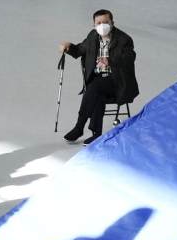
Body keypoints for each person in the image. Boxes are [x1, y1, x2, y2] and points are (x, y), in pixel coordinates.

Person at [59, 8, 138, 144]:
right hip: (99, 83)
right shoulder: (93, 36)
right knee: (97, 91)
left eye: (105, 22)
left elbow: (129, 58)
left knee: (94, 87)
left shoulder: (124, 39)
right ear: (94, 25)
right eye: (98, 23)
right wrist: (68, 47)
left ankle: (79, 127)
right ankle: (96, 133)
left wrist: (110, 61)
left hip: (117, 81)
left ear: (112, 22)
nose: (102, 25)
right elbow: (79, 50)